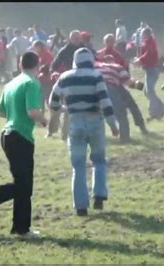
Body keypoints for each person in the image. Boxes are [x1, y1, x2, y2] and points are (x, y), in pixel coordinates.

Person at [0, 51, 47, 238]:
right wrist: (44, 121)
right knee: (23, 185)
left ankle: (21, 229)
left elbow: (1, 112)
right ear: (38, 65)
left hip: (7, 135)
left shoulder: (11, 83)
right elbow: (32, 112)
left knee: (24, 185)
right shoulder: (32, 83)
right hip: (20, 137)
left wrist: (16, 116)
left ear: (20, 65)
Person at [49, 47, 119, 216]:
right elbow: (105, 101)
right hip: (95, 120)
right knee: (99, 160)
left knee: (78, 165)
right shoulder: (96, 76)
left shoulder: (64, 77)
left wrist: (62, 108)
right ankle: (99, 195)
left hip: (75, 122)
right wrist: (113, 124)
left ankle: (81, 206)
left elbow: (53, 101)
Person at [95, 54, 149, 142]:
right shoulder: (116, 67)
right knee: (123, 113)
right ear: (113, 61)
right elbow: (129, 82)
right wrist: (142, 86)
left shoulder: (97, 66)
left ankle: (96, 136)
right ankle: (126, 137)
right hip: (110, 88)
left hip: (95, 88)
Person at [47, 30, 83, 140]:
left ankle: (67, 134)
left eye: (78, 38)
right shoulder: (65, 50)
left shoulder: (84, 50)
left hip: (82, 81)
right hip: (67, 81)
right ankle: (51, 131)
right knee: (56, 107)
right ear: (70, 39)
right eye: (74, 38)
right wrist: (54, 72)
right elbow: (54, 65)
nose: (77, 40)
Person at [133, 27, 164, 121]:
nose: (142, 36)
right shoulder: (149, 41)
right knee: (147, 92)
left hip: (152, 69)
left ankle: (154, 113)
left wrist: (140, 59)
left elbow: (148, 53)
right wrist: (140, 60)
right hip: (150, 69)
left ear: (146, 34)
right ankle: (161, 108)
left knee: (149, 92)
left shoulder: (149, 41)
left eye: (143, 34)